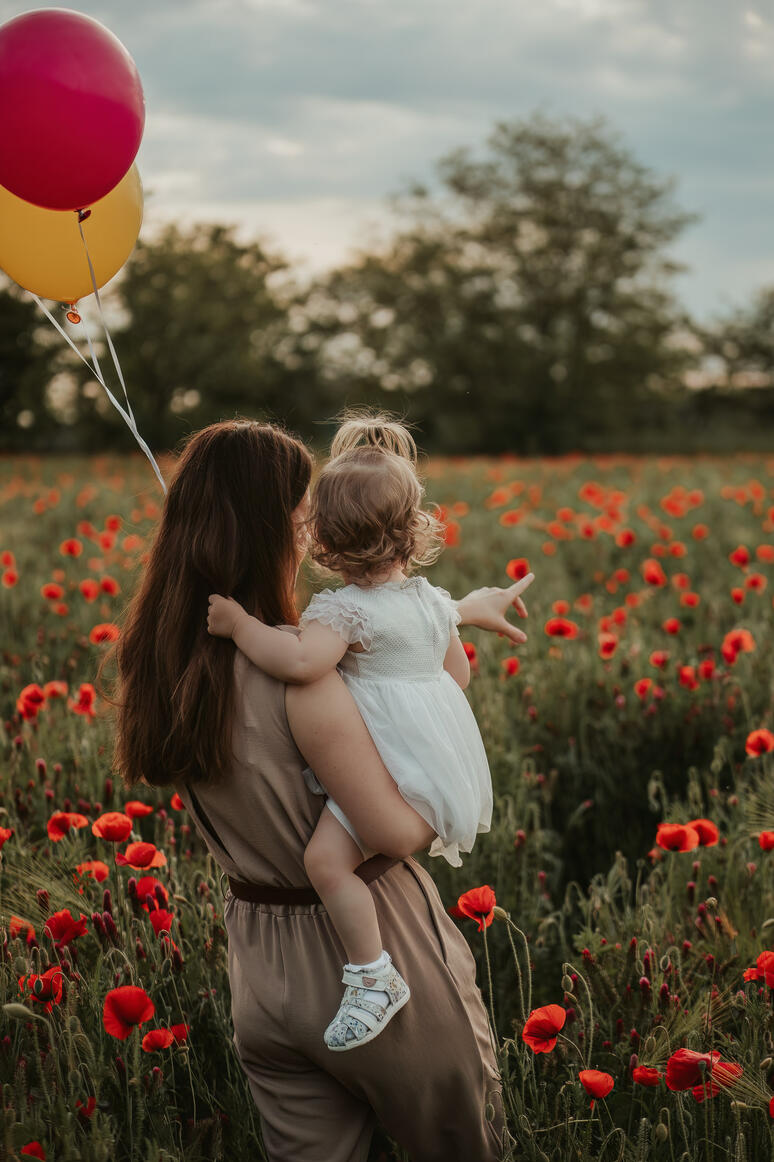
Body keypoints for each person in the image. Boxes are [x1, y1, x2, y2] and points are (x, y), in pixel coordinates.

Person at [104, 417, 534, 1162]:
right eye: (303, 510)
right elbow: (396, 834)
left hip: (262, 970)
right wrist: (447, 795)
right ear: (280, 525)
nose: (312, 527)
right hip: (371, 958)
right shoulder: (307, 676)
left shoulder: (164, 671)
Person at [207, 434, 493, 1054]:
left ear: (322, 540)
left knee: (326, 864)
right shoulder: (433, 602)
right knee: (357, 857)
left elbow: (301, 662)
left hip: (393, 772)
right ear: (412, 531)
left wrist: (240, 624)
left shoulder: (341, 611)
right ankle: (375, 970)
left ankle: (372, 974)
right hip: (439, 768)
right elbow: (458, 678)